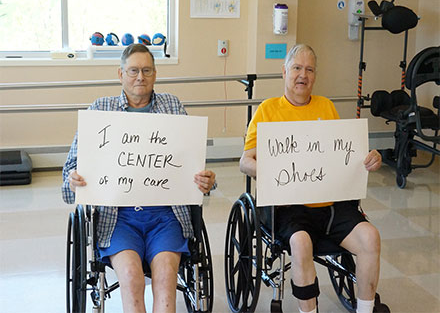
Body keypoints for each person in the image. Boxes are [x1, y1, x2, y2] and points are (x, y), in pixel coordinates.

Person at [62, 43, 216, 313]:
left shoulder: (172, 107)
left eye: (146, 70)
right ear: (120, 74)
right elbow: (69, 175)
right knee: (131, 278)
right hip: (118, 218)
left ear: (155, 74)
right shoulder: (100, 109)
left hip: (166, 215)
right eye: (133, 71)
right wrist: (74, 180)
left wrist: (207, 181)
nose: (140, 77)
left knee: (167, 277)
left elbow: (193, 166)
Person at [239, 44, 389, 313]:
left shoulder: (326, 106)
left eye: (309, 70)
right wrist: (273, 169)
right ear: (284, 72)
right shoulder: (268, 110)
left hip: (330, 205)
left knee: (371, 237)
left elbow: (343, 154)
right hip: (287, 208)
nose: (302, 75)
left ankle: (365, 309)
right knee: (300, 242)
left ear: (315, 76)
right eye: (296, 68)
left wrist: (369, 158)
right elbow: (245, 161)